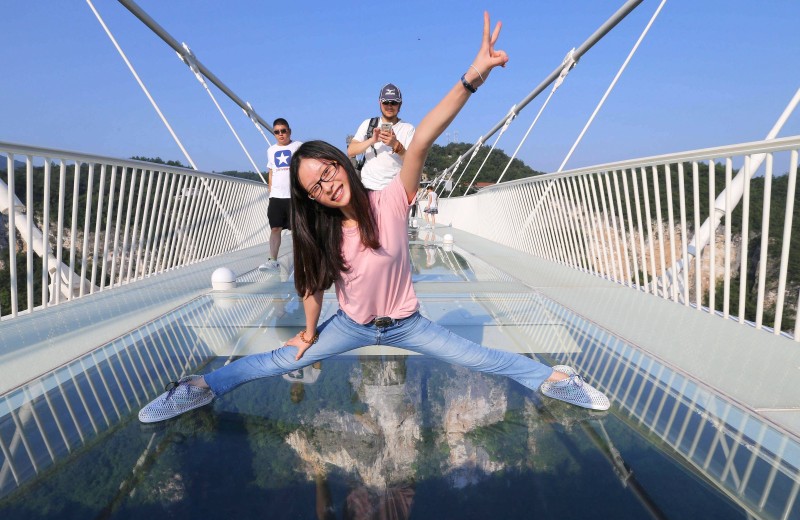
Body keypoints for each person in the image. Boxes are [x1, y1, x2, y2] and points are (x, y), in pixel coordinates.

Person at [138, 13, 610, 424]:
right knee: (276, 359)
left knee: (482, 358)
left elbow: (422, 138)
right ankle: (199, 387)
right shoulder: (321, 231)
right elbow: (311, 285)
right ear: (310, 198)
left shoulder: (390, 199)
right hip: (352, 326)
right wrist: (306, 335)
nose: (326, 184)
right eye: (314, 186)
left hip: (408, 324)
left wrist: (472, 77)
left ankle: (556, 377)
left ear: (341, 164)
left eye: (327, 171)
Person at [347, 84, 415, 191]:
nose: (389, 106)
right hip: (368, 188)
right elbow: (351, 151)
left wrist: (396, 145)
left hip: (394, 190)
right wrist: (372, 140)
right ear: (380, 103)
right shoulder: (368, 124)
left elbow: (413, 162)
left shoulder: (408, 129)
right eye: (385, 102)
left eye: (394, 102)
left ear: (400, 104)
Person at [260, 118, 302, 270]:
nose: (280, 134)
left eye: (283, 131)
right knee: (275, 228)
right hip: (277, 196)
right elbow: (271, 171)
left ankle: (301, 259)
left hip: (294, 196)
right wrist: (270, 190)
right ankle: (272, 260)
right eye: (277, 132)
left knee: (297, 230)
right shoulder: (270, 150)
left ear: (289, 131)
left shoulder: (298, 146)